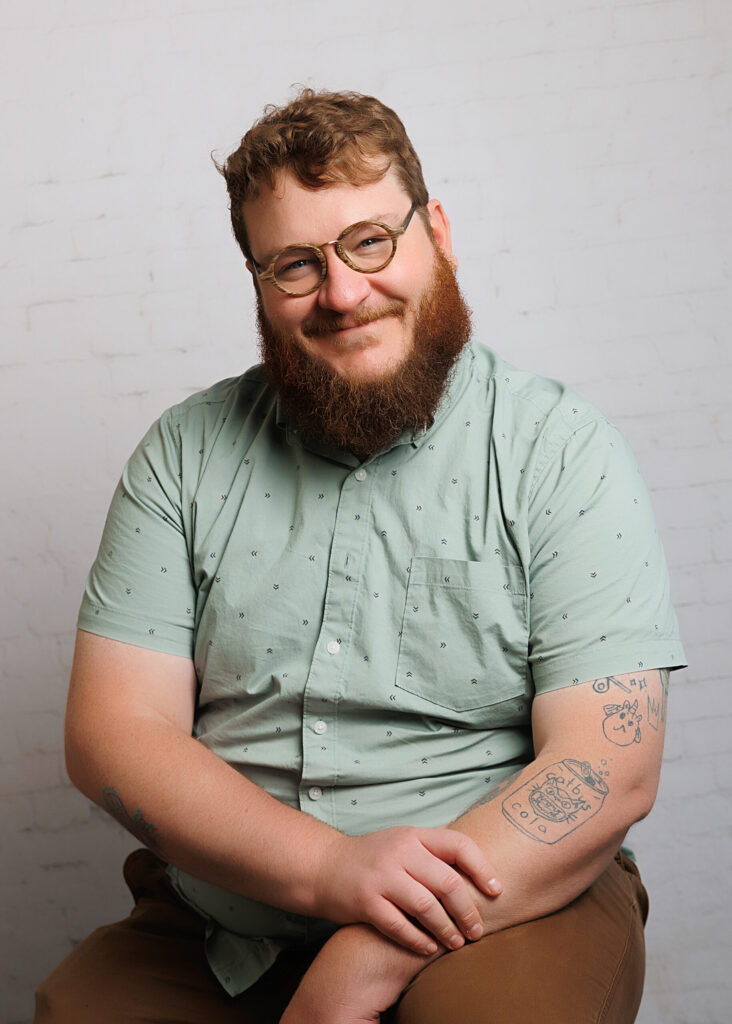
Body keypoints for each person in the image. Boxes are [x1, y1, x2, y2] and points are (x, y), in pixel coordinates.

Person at [35, 89, 686, 1024]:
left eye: (370, 241)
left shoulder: (560, 451)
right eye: (297, 264)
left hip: (504, 902)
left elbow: (608, 764)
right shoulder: (183, 455)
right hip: (226, 922)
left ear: (438, 234)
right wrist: (332, 871)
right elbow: (113, 735)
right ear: (259, 283)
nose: (342, 294)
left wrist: (370, 949)